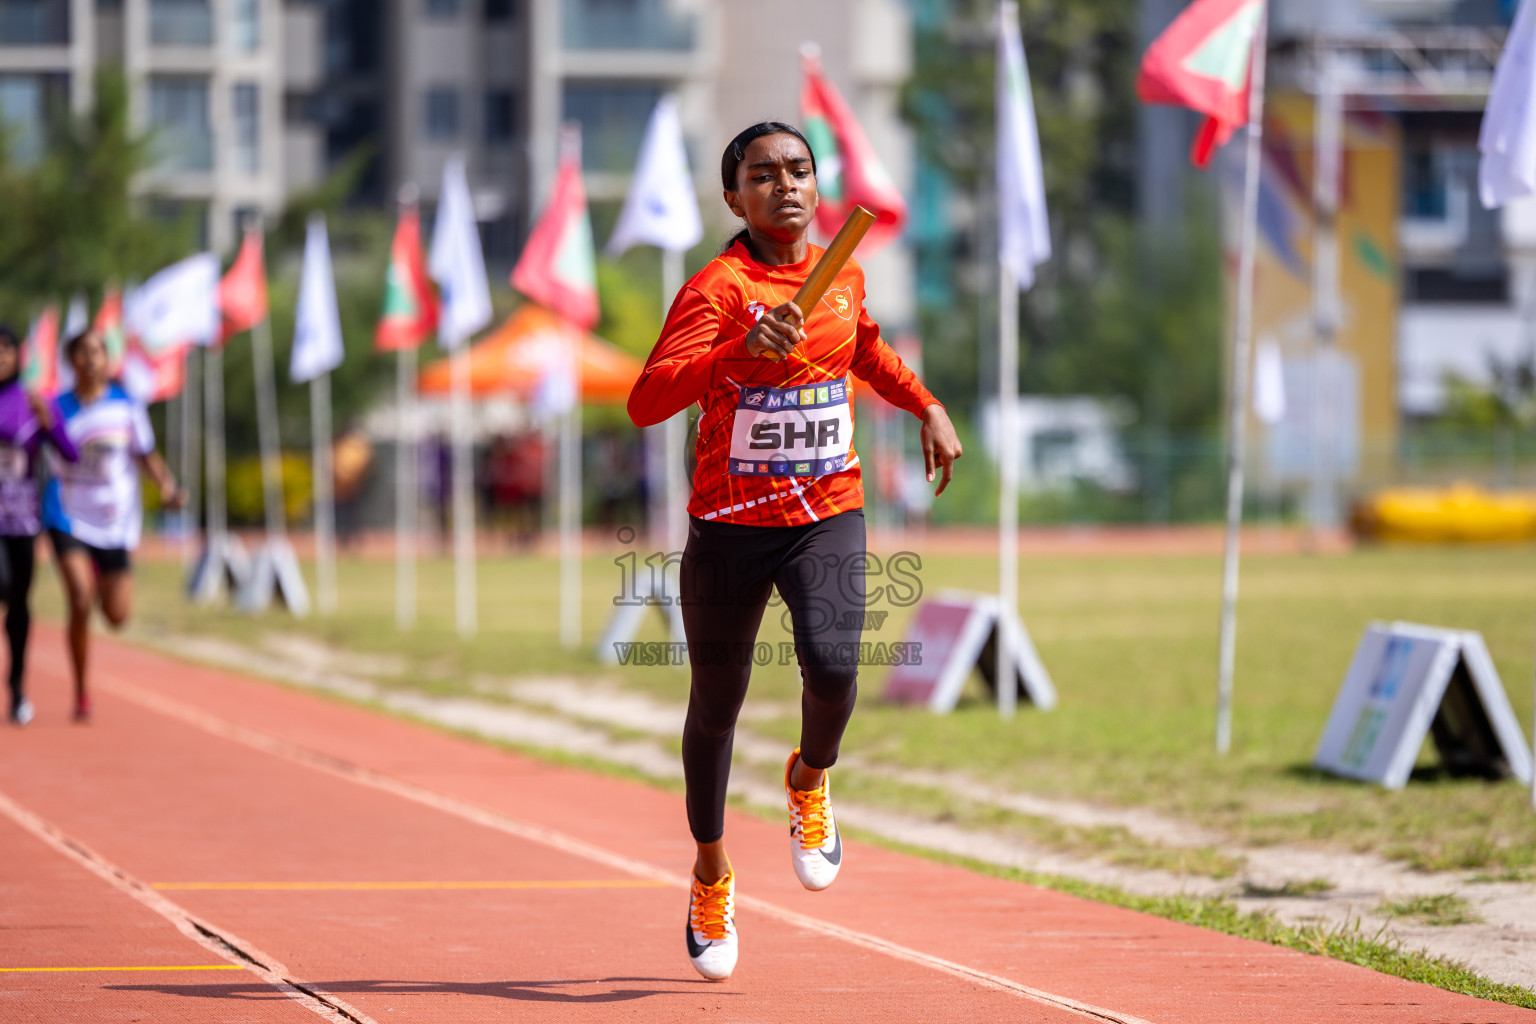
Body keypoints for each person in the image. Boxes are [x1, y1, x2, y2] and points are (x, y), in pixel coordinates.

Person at [627, 121, 963, 981]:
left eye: (800, 170)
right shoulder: (717, 288)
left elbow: (867, 347)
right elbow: (646, 400)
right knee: (716, 707)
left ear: (818, 185)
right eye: (764, 174)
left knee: (834, 667)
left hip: (826, 514)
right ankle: (710, 872)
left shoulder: (841, 274)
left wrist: (924, 404)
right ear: (733, 197)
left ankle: (810, 778)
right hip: (730, 529)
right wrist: (739, 349)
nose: (786, 185)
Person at [44, 329, 182, 722]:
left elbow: (146, 454)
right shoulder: (56, 407)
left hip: (114, 520)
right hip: (67, 513)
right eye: (82, 352)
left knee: (117, 616)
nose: (90, 359)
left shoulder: (126, 406)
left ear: (107, 359)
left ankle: (99, 574)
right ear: (71, 362)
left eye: (97, 352)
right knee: (79, 598)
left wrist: (168, 487)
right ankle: (82, 691)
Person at [0, 326, 77, 725]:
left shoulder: (33, 403)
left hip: (21, 519)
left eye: (6, 351)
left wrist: (52, 424)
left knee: (18, 605)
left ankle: (16, 687)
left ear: (18, 357)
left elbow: (71, 454)